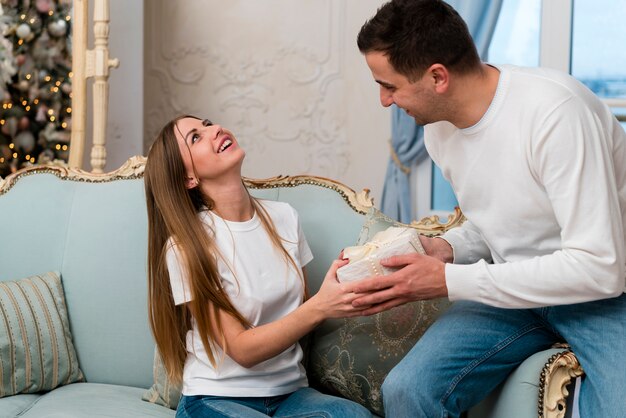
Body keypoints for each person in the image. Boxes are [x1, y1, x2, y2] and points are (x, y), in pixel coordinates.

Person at [350, 0, 626, 417]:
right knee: (408, 390)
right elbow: (499, 220)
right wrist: (448, 249)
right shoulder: (438, 130)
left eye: (390, 85)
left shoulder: (555, 114)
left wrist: (447, 280)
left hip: (606, 294)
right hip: (513, 292)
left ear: (437, 76)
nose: (385, 101)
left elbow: (599, 268)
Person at [143, 115, 373, 418]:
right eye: (196, 138)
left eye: (208, 123)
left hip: (290, 394)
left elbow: (299, 315)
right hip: (215, 397)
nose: (215, 130)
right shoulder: (187, 245)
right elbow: (242, 350)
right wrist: (322, 305)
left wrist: (350, 284)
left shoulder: (285, 218)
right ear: (189, 179)